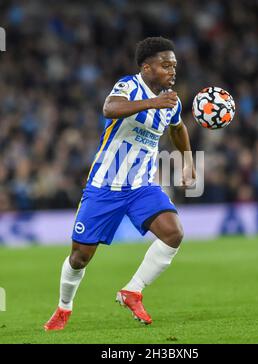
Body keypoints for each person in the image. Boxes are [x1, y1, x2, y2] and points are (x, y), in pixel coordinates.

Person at [44, 36, 196, 330]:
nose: (172, 71)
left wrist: (188, 161)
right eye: (165, 65)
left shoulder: (170, 102)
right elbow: (109, 109)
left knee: (173, 233)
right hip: (104, 186)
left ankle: (132, 290)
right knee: (79, 258)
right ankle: (64, 308)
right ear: (147, 67)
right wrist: (154, 102)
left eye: (174, 66)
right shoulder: (129, 85)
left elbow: (178, 129)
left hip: (141, 186)